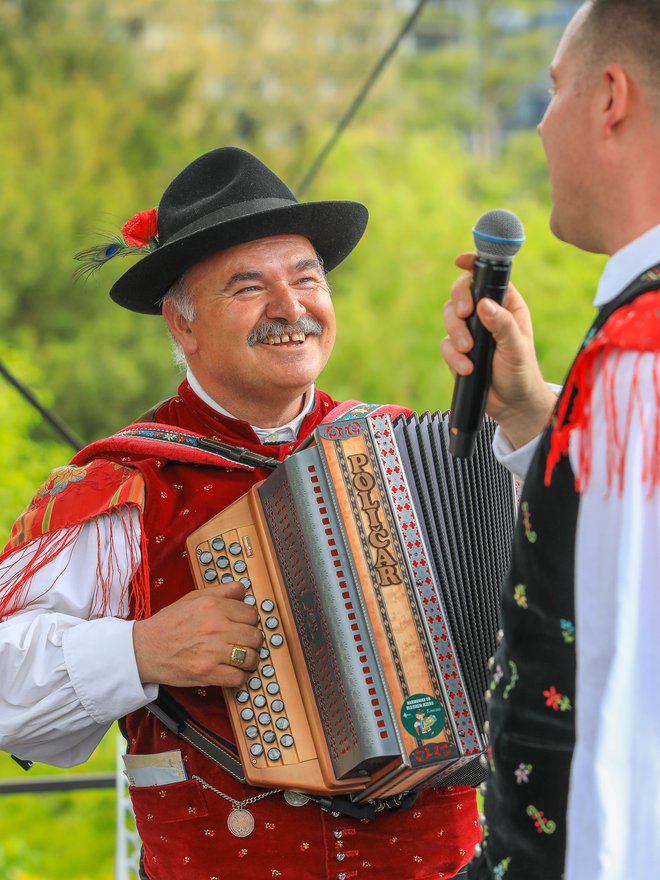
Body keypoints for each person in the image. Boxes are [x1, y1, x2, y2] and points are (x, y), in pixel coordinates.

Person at [0, 146, 480, 879]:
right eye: (249, 287)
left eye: (307, 278)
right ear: (181, 325)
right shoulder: (125, 485)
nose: (290, 308)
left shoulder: (404, 449)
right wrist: (137, 650)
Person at [441, 2, 660, 878]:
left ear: (611, 98)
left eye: (554, 89)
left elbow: (630, 709)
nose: (540, 122)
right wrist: (535, 411)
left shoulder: (641, 353)